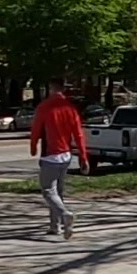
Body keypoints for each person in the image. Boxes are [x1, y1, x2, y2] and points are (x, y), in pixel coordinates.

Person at [28, 79, 88, 236]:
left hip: (50, 155)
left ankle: (64, 214)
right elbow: (79, 134)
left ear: (51, 89)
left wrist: (33, 146)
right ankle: (55, 226)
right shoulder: (70, 108)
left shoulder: (44, 107)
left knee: (48, 191)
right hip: (66, 155)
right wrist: (83, 156)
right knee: (58, 192)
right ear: (63, 89)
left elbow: (36, 130)